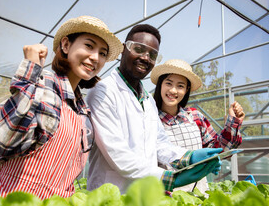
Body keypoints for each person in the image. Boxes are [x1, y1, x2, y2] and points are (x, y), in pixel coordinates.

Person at [0, 16, 123, 200]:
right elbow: (5, 140)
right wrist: (30, 69)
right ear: (65, 45)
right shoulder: (43, 85)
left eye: (103, 53)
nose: (95, 57)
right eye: (89, 46)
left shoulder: (82, 109)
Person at [86, 24, 222, 194]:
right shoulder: (102, 92)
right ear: (123, 49)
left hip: (145, 196)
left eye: (152, 54)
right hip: (113, 196)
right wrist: (171, 179)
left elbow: (159, 144)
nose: (145, 57)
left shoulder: (148, 99)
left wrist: (188, 157)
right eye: (139, 49)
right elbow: (118, 154)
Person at [151, 59, 245, 192]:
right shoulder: (149, 119)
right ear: (160, 84)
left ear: (186, 90)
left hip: (198, 194)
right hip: (164, 195)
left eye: (180, 86)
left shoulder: (195, 117)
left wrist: (233, 123)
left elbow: (218, 150)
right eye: (168, 83)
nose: (173, 90)